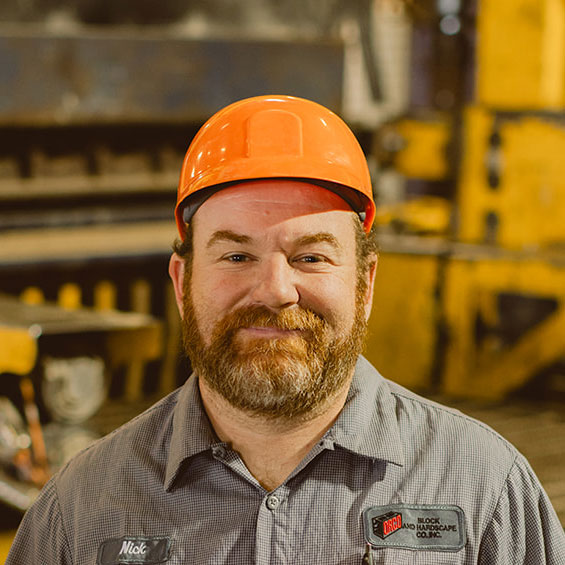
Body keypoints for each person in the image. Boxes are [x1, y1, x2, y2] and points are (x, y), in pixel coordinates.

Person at [7, 95, 565, 565]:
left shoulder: (485, 488)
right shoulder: (80, 509)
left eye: (311, 258)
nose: (275, 290)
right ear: (182, 282)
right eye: (236, 257)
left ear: (365, 285)